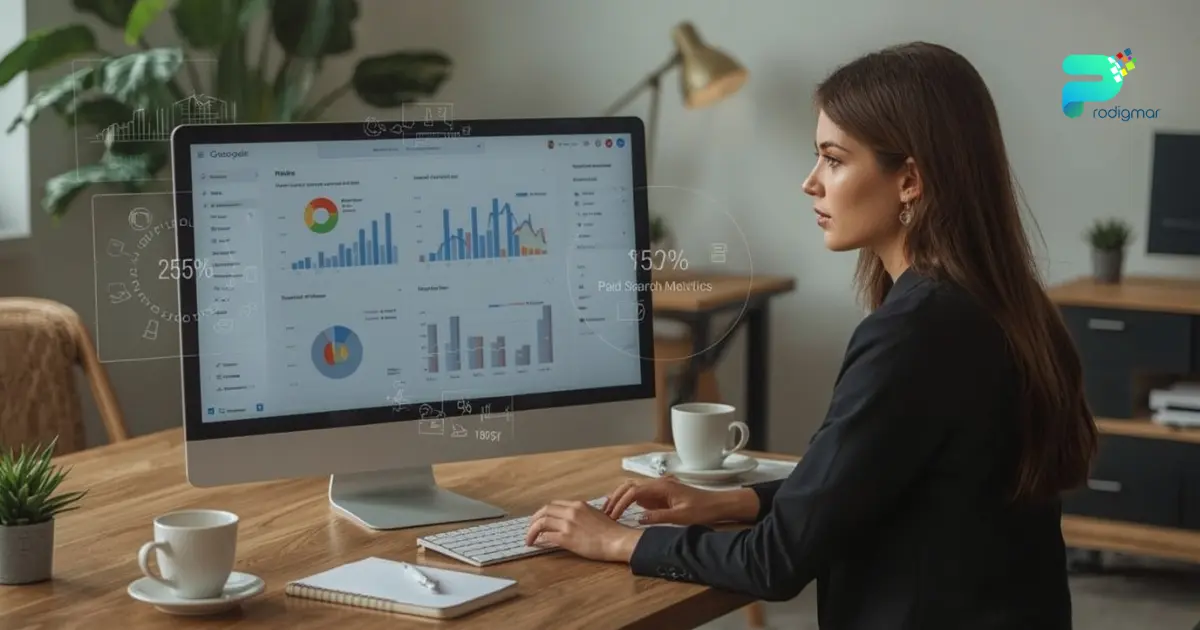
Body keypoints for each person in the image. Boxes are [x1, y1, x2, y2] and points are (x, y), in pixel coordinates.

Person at [525, 41, 1097, 629]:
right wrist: (732, 501)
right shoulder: (1007, 304)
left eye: (833, 159)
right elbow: (874, 484)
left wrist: (618, 541)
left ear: (910, 180)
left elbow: (775, 562)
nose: (810, 182)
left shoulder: (915, 333)